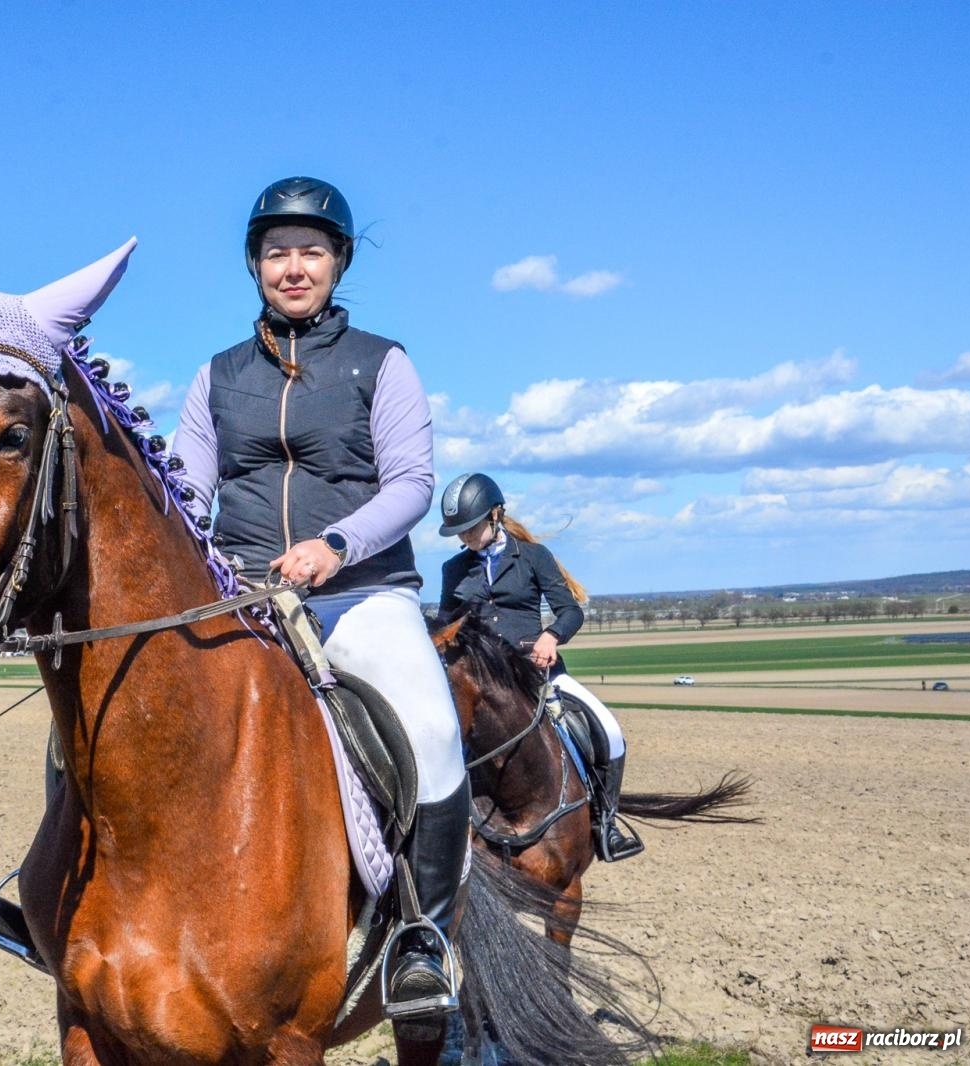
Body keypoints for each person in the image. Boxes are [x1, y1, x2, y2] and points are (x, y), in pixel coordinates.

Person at [174, 176, 472, 1025]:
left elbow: (413, 483)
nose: (293, 267)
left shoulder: (384, 362)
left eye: (310, 251)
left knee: (432, 726)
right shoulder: (215, 376)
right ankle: (54, 894)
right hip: (242, 597)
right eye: (276, 253)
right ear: (254, 266)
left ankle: (422, 937)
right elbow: (189, 491)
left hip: (359, 592)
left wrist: (334, 545)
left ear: (338, 261)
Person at [437, 472, 644, 861]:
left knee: (610, 732)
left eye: (470, 528)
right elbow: (450, 624)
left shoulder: (533, 557)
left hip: (538, 674)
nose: (463, 537)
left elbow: (569, 610)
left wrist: (551, 637)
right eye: (458, 532)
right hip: (482, 683)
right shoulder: (453, 569)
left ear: (496, 515)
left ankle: (604, 822)